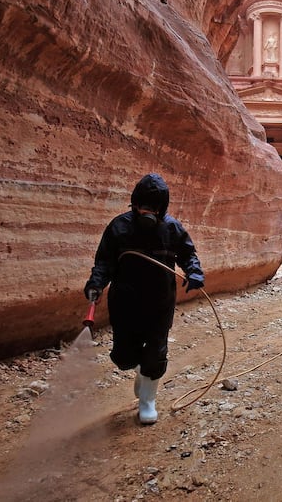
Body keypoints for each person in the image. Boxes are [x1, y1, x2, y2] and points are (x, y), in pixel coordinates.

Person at [84, 173, 204, 425]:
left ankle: (148, 399)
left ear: (162, 207)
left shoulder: (171, 228)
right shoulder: (119, 227)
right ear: (135, 203)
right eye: (144, 205)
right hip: (125, 301)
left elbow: (188, 253)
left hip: (159, 301)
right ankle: (141, 371)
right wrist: (96, 284)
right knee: (123, 356)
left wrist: (194, 272)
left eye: (155, 206)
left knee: (156, 350)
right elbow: (104, 262)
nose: (148, 211)